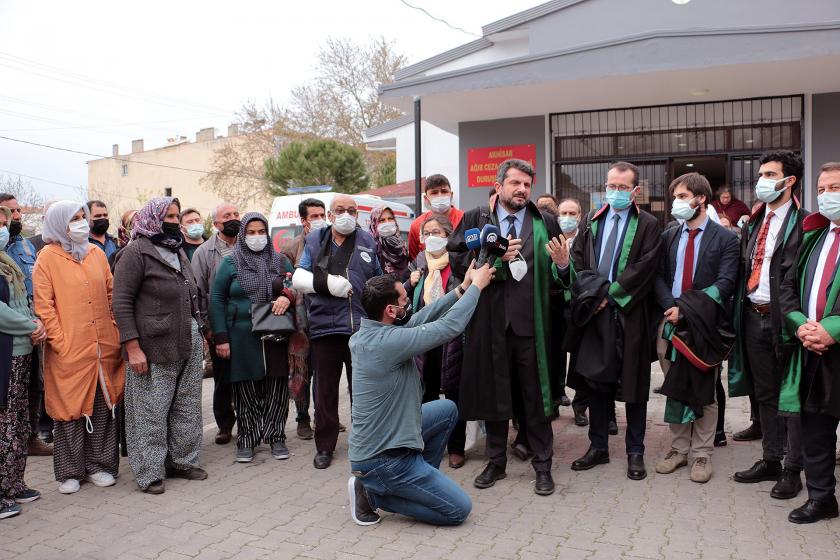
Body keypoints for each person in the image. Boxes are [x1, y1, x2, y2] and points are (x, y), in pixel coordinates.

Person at [450, 158, 565, 496]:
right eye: (515, 183)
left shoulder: (544, 221)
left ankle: (543, 465)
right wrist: (488, 259)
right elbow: (458, 259)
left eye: (527, 185)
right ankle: (496, 461)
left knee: (535, 398)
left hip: (532, 326)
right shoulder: (476, 219)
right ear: (499, 186)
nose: (522, 190)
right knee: (494, 394)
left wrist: (563, 265)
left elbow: (564, 276)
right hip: (490, 323)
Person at [347, 263, 494, 526]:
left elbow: (420, 318)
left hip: (388, 441)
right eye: (404, 300)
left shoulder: (369, 333)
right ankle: (374, 495)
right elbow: (449, 327)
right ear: (390, 311)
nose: (408, 304)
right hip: (384, 460)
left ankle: (416, 482)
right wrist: (478, 289)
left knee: (446, 409)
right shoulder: (388, 343)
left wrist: (462, 288)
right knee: (459, 510)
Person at [562, 161, 663, 481]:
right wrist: (594, 295)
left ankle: (635, 452)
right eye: (610, 186)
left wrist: (612, 294)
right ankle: (598, 447)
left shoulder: (648, 224)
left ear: (635, 191)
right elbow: (579, 261)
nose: (614, 193)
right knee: (597, 383)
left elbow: (646, 267)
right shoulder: (594, 221)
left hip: (631, 315)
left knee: (634, 386)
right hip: (596, 315)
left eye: (621, 188)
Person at [113, 197, 207, 494]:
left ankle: (181, 461)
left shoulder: (176, 249)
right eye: (168, 215)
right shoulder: (135, 252)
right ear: (153, 218)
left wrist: (200, 332)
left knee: (187, 405)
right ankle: (149, 471)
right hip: (153, 344)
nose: (174, 220)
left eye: (177, 215)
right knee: (150, 409)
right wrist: (132, 347)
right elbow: (121, 302)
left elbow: (191, 295)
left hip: (187, 339)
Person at [729, 150, 807, 501]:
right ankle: (771, 459)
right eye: (761, 174)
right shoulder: (755, 220)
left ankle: (794, 469)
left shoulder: (806, 224)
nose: (762, 181)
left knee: (791, 398)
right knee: (764, 394)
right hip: (752, 316)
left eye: (770, 174)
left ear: (789, 181)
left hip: (785, 322)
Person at [652, 173, 740, 483]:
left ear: (700, 199)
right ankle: (678, 449)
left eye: (681, 196)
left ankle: (703, 454)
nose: (677, 203)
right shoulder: (669, 236)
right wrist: (670, 308)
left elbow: (725, 284)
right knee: (674, 386)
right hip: (669, 320)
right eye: (675, 196)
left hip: (704, 323)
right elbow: (659, 277)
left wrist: (686, 310)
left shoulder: (726, 239)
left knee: (705, 391)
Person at [33, 201, 125, 494]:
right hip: (68, 350)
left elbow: (111, 295)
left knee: (102, 406)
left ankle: (100, 466)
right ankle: (70, 472)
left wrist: (114, 330)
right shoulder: (47, 257)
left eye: (82, 217)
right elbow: (44, 306)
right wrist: (61, 342)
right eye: (73, 219)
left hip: (103, 347)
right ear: (59, 223)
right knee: (69, 410)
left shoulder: (96, 253)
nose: (81, 223)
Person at [292, 195, 382, 469]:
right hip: (325, 327)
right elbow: (300, 278)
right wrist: (330, 284)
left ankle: (366, 444)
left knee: (363, 391)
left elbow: (377, 280)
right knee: (325, 391)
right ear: (330, 215)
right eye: (340, 210)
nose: (346, 215)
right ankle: (325, 447)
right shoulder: (315, 240)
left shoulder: (367, 241)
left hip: (360, 327)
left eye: (351, 211)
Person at [778, 161, 840, 523]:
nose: (826, 196)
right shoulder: (813, 236)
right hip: (812, 350)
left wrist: (835, 327)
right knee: (816, 429)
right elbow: (788, 287)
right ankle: (821, 498)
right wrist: (801, 325)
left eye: (835, 187)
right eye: (821, 189)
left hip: (834, 342)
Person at [210, 212, 297, 463]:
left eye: (261, 232)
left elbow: (295, 285)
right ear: (242, 234)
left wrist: (286, 296)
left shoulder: (280, 261)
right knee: (245, 388)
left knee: (277, 386)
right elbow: (216, 299)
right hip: (241, 334)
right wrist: (221, 337)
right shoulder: (229, 263)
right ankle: (247, 438)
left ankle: (276, 436)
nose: (257, 237)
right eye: (251, 232)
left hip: (276, 332)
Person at [406, 214, 467, 469]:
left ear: (448, 235)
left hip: (452, 336)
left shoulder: (459, 262)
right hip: (425, 335)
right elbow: (408, 298)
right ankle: (430, 443)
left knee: (454, 392)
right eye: (427, 233)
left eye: (437, 233)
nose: (431, 238)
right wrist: (409, 283)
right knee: (426, 391)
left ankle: (456, 447)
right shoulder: (418, 263)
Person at [0, 193, 52, 458]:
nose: (17, 216)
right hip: (10, 333)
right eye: (10, 211)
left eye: (18, 210)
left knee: (34, 385)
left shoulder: (27, 246)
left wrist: (38, 323)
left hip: (32, 328)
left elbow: (35, 288)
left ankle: (30, 438)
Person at [0, 205, 43, 520]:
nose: (4, 228)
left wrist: (35, 323)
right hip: (6, 352)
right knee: (5, 423)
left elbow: (22, 299)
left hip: (21, 349)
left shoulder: (8, 261)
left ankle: (14, 484)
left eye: (4, 223)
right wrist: (31, 326)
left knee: (18, 421)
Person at [191, 203, 241, 445]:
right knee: (222, 378)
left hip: (245, 323)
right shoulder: (204, 252)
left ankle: (248, 420)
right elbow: (198, 293)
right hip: (218, 323)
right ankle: (224, 425)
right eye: (227, 216)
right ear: (216, 223)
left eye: (236, 214)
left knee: (246, 376)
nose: (233, 219)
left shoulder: (247, 246)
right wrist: (206, 327)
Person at [278, 198, 326, 441]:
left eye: (322, 215)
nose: (319, 220)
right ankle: (302, 418)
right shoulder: (291, 248)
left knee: (323, 373)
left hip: (325, 319)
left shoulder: (331, 241)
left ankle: (323, 416)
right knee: (300, 371)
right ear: (303, 220)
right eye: (314, 216)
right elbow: (286, 281)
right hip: (300, 322)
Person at [407, 175, 464, 261]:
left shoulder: (465, 219)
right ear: (426, 198)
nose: (440, 196)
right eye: (434, 193)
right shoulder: (416, 225)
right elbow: (415, 260)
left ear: (451, 195)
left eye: (444, 191)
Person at [369, 205, 410, 281]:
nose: (387, 222)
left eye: (390, 219)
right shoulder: (370, 245)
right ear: (374, 223)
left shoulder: (401, 244)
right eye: (382, 220)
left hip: (406, 288)